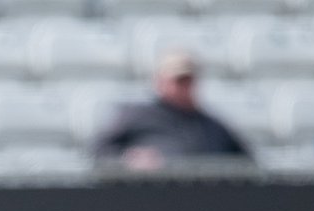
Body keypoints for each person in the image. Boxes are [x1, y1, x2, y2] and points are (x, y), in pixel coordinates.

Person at [92, 49, 251, 169]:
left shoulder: (212, 124)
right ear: (160, 81)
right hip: (146, 204)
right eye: (178, 80)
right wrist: (128, 159)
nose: (185, 86)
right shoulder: (137, 115)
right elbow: (98, 151)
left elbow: (246, 162)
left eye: (189, 79)